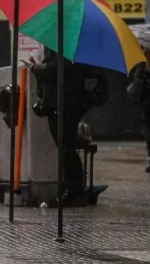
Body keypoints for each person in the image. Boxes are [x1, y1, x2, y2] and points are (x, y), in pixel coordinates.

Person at [29, 49, 103, 204]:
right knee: (65, 148)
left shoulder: (66, 50)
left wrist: (35, 68)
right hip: (63, 106)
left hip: (65, 107)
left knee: (66, 149)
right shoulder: (66, 51)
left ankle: (74, 191)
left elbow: (52, 71)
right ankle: (73, 189)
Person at [127, 54, 150, 173]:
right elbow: (137, 78)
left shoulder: (143, 58)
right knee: (148, 128)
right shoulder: (143, 60)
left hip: (146, 99)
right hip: (146, 100)